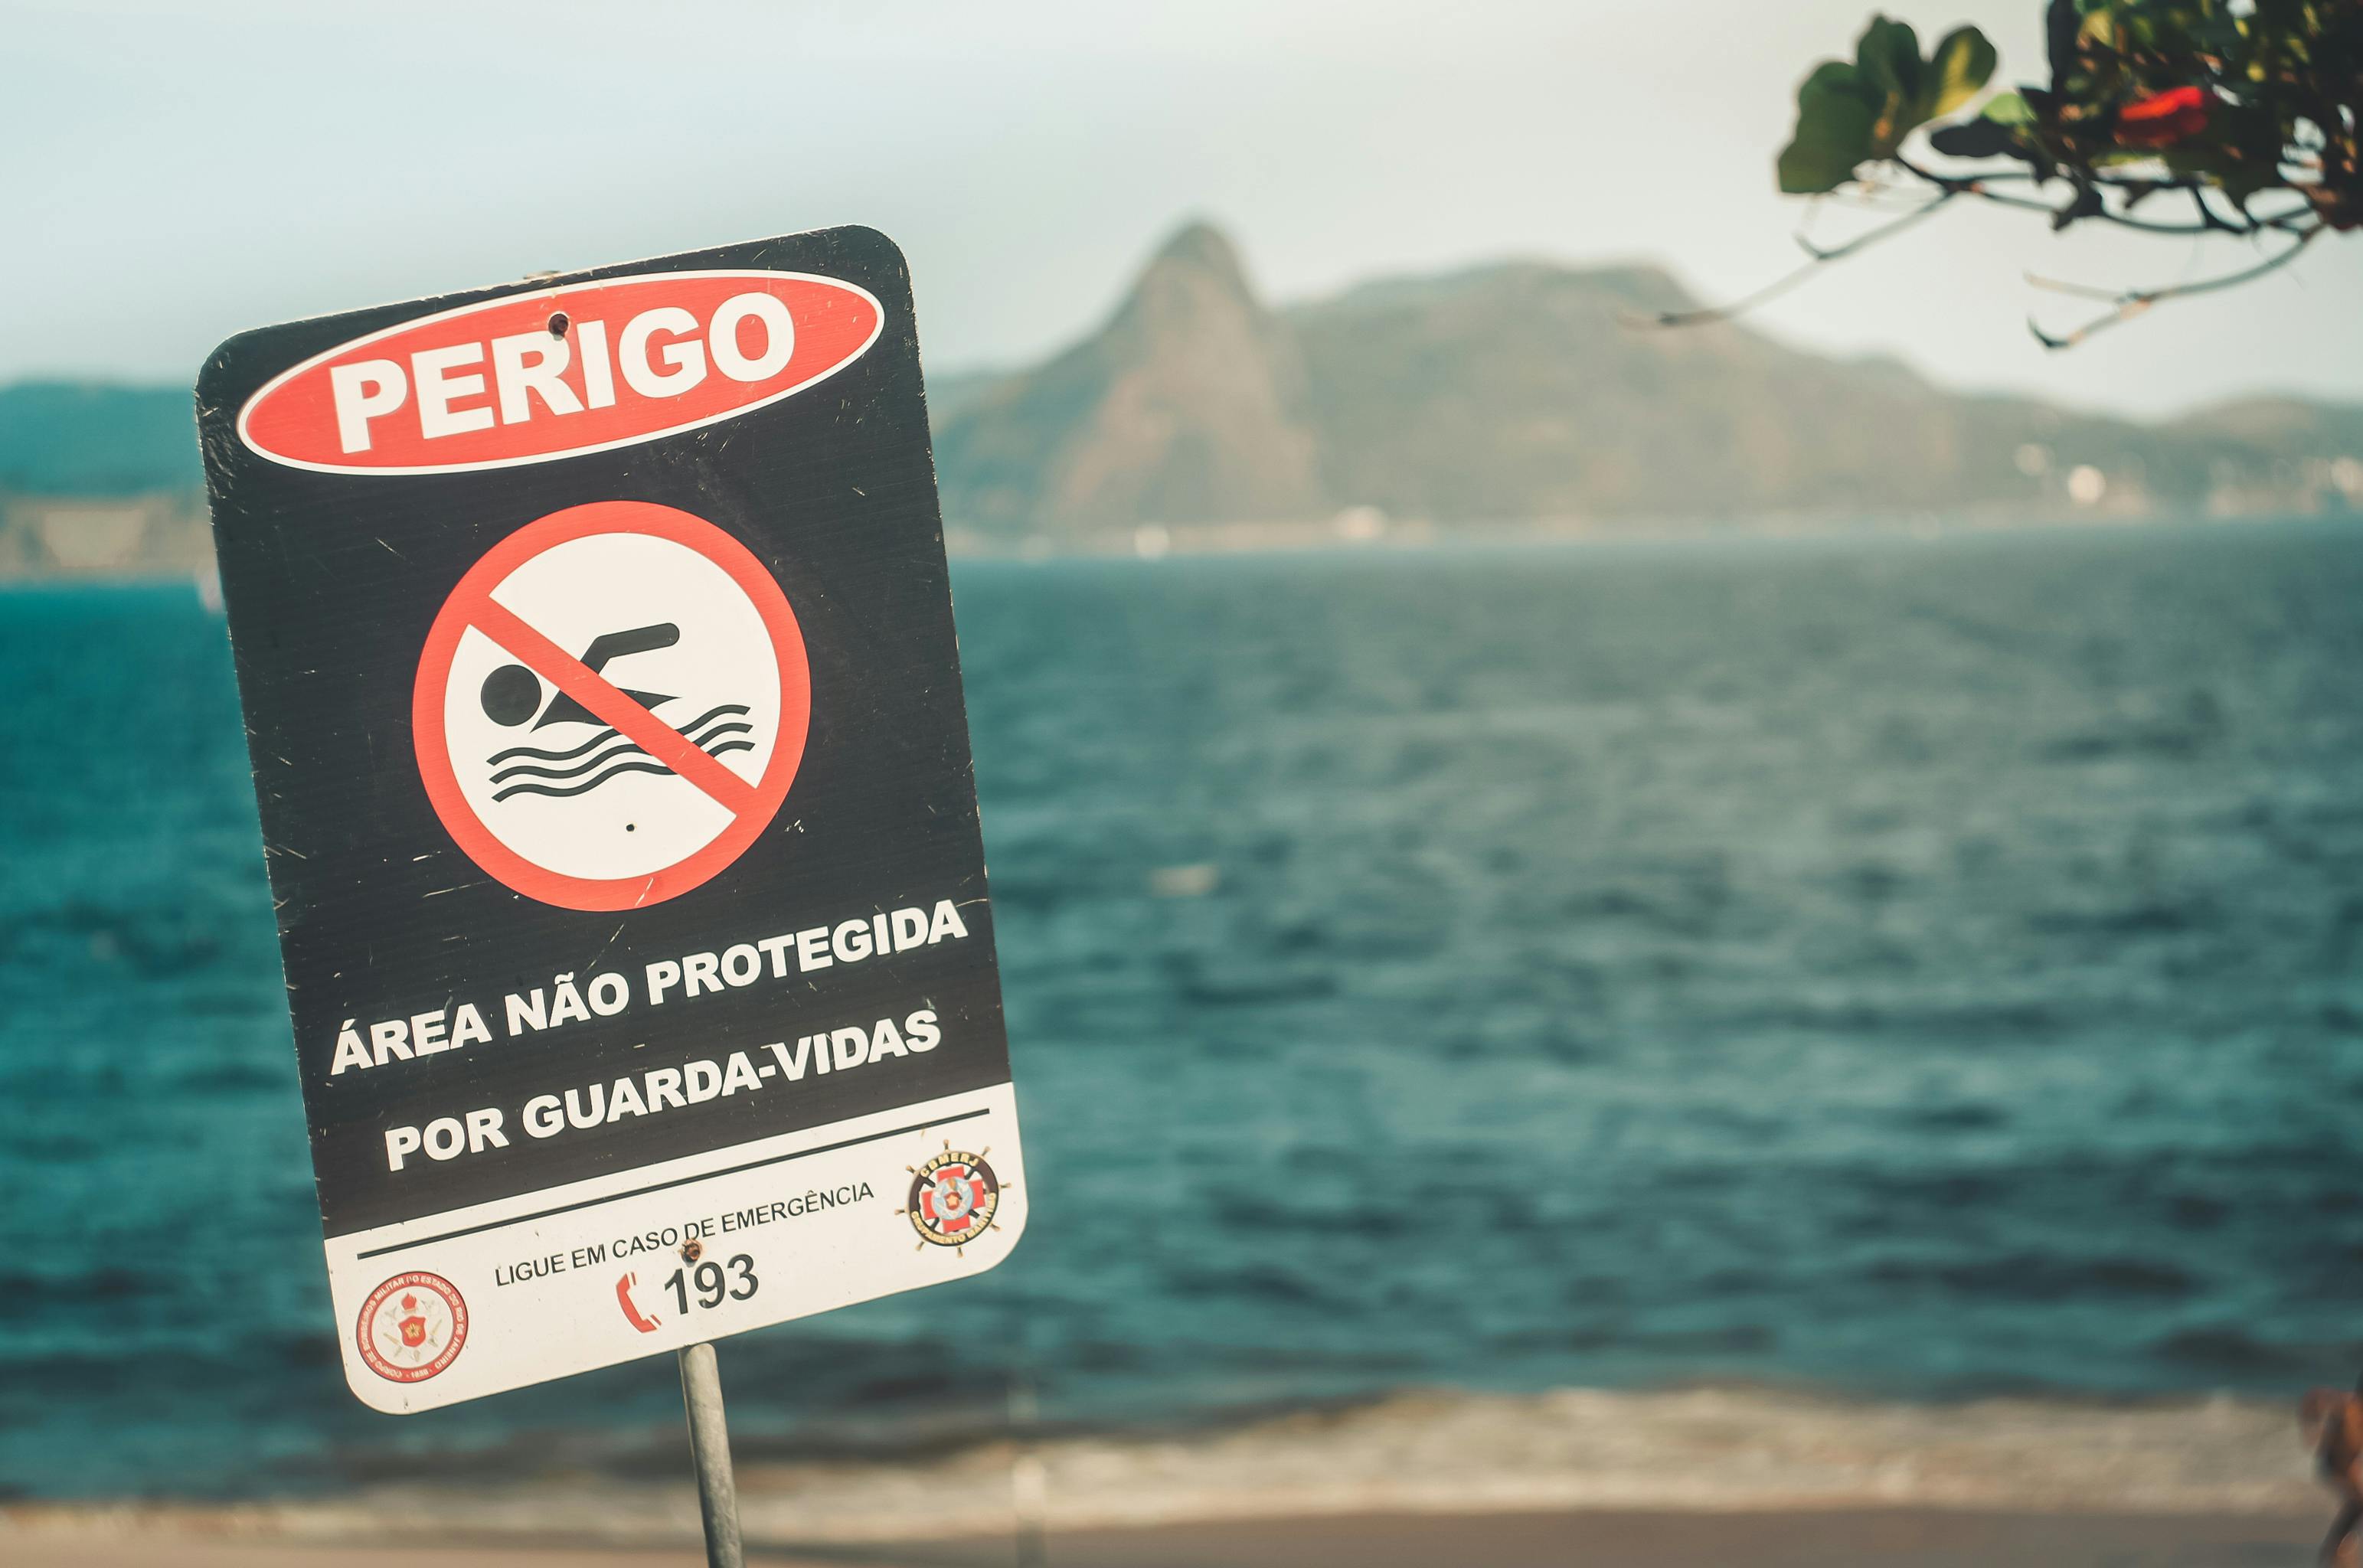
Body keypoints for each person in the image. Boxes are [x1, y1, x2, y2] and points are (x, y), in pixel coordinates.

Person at [2304, 1378, 2363, 1566]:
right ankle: (2337, 1544)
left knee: (2356, 1503)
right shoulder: (2348, 1404)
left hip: (2345, 1465)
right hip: (2333, 1465)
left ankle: (2340, 1543)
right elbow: (2314, 1396)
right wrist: (2309, 1431)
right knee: (2358, 1502)